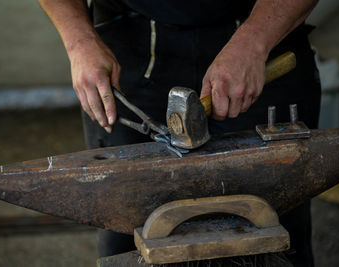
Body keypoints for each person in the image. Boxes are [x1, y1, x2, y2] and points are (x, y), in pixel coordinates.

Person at [38, 1, 321, 266]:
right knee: (125, 234)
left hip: (264, 33)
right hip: (128, 47)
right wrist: (78, 42)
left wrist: (255, 42)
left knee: (274, 229)